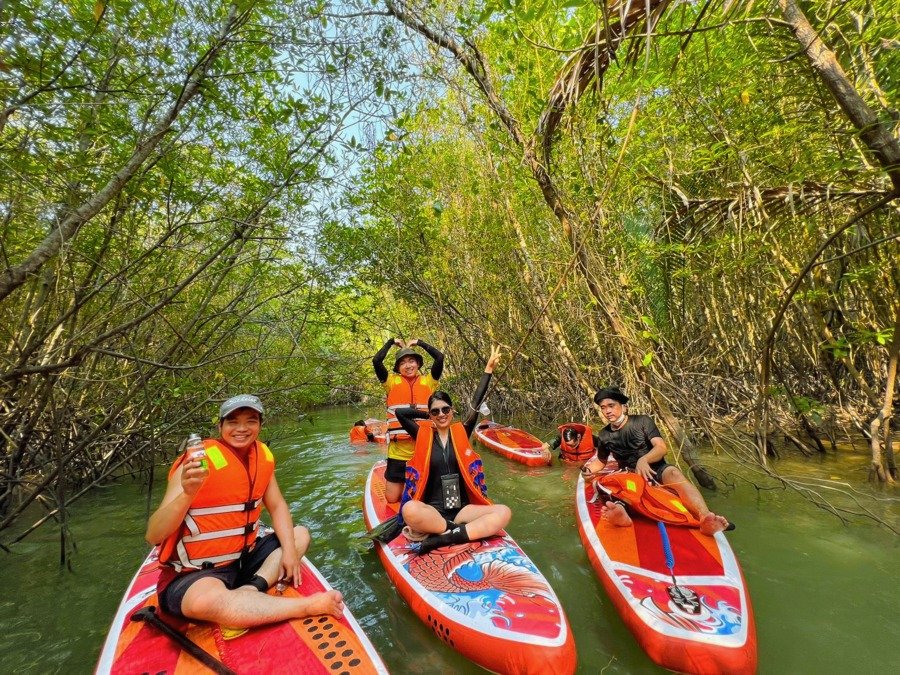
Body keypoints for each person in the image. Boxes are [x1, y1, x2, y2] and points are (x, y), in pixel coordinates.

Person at [146, 394, 345, 628]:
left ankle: (251, 589)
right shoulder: (195, 463)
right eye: (232, 422)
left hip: (241, 562)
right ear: (220, 426)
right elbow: (153, 535)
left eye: (251, 421)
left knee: (299, 534)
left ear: (260, 425)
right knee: (206, 602)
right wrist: (187, 493)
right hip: (196, 573)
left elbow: (278, 505)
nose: (242, 429)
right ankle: (307, 606)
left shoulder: (261, 457)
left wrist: (290, 552)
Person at [394, 346, 511, 555]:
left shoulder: (462, 430)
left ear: (452, 410)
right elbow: (401, 414)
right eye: (436, 411)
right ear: (430, 414)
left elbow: (475, 403)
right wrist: (426, 411)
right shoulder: (422, 434)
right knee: (409, 510)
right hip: (434, 512)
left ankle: (445, 538)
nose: (441, 414)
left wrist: (488, 369)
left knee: (503, 512)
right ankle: (456, 532)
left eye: (445, 409)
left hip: (463, 510)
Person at [582, 387, 730, 536]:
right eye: (603, 408)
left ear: (623, 406)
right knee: (624, 487)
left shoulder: (643, 421)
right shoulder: (604, 435)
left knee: (674, 472)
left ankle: (705, 517)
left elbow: (661, 447)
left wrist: (644, 459)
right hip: (629, 474)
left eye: (611, 406)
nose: (607, 411)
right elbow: (601, 461)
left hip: (656, 468)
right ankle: (622, 513)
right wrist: (587, 471)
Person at [372, 336, 444, 503]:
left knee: (424, 496)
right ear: (398, 368)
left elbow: (439, 357)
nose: (408, 365)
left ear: (418, 364)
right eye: (403, 363)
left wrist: (419, 342)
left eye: (411, 361)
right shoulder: (390, 382)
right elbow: (376, 361)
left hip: (424, 447)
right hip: (398, 451)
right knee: (391, 499)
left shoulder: (429, 381)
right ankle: (406, 485)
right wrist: (390, 342)